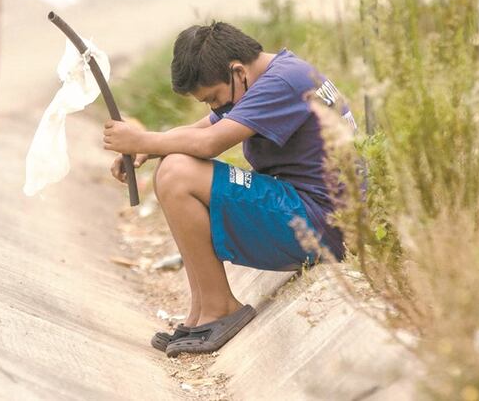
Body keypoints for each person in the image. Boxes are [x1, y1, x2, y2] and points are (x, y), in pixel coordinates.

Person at [102, 22, 355, 357]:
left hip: (320, 225)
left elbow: (209, 142)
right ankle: (202, 310)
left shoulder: (281, 83)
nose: (214, 109)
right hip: (312, 211)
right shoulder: (275, 74)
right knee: (172, 165)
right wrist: (149, 150)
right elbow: (203, 128)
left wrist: (143, 139)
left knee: (178, 172)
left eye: (213, 98)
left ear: (237, 71)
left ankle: (220, 308)